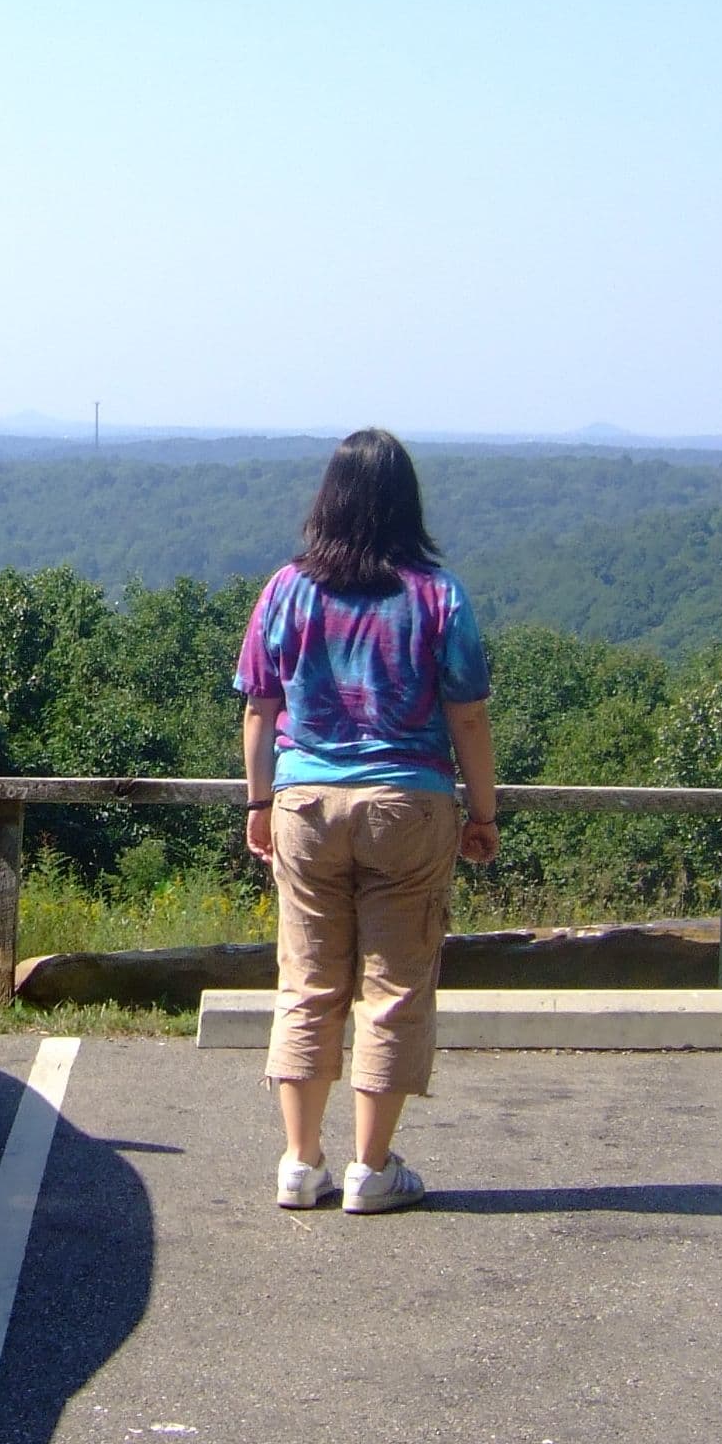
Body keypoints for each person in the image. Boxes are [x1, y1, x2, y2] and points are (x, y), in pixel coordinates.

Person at [234, 428, 498, 1215]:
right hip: (408, 803)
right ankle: (370, 1168)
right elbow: (470, 716)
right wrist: (481, 812)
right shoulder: (437, 595)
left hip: (306, 801)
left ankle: (298, 1161)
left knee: (307, 980)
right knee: (392, 987)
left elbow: (258, 707)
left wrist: (257, 803)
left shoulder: (286, 589)